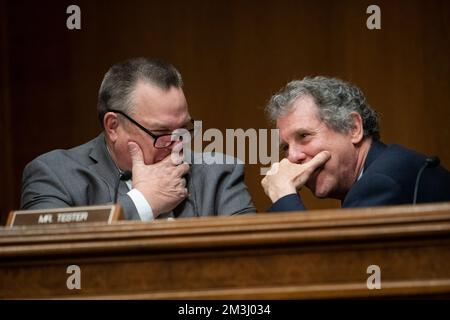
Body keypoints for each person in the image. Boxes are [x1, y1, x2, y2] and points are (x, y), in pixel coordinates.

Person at [21, 58, 255, 220]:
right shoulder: (55, 175)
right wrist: (142, 202)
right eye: (161, 133)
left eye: (184, 128)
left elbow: (248, 261)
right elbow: (50, 258)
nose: (178, 145)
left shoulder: (219, 174)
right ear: (113, 126)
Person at [261, 76, 450, 211]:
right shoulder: (377, 172)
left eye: (304, 136)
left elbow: (327, 264)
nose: (293, 157)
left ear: (353, 128)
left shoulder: (382, 182)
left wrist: (283, 195)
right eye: (285, 147)